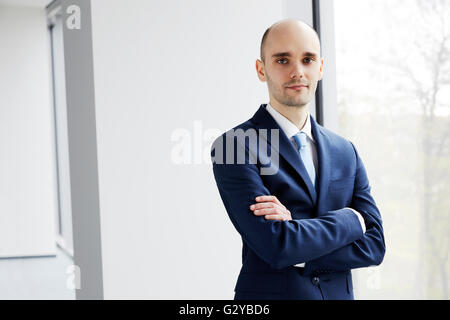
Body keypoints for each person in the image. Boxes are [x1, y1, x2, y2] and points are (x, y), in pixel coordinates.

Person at [211, 18, 385, 300]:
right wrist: (351, 219)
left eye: (307, 59)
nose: (297, 71)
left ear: (320, 67)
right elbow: (277, 245)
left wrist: (298, 236)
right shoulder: (233, 146)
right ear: (261, 69)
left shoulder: (345, 151)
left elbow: (375, 245)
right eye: (282, 60)